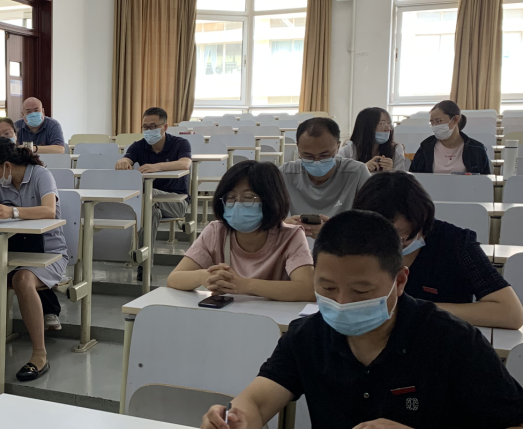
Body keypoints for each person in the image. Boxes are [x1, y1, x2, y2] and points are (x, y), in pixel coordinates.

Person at [198, 211, 523, 429]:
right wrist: (235, 421)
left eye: (361, 291)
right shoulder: (308, 335)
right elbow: (259, 401)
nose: (341, 302)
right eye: (327, 288)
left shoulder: (452, 341)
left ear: (400, 281)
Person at [353, 172, 523, 330]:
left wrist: (418, 310)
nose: (398, 243)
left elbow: (511, 313)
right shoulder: (355, 246)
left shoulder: (455, 243)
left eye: (406, 236)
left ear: (423, 220)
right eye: (388, 237)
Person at [0, 138, 68, 381]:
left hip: (48, 252)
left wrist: (12, 212)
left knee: (23, 279)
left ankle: (39, 354)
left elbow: (49, 210)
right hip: (13, 251)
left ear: (7, 165)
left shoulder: (41, 175)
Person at [167, 161, 314, 302]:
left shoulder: (291, 236)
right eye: (230, 197)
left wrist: (245, 285)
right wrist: (204, 276)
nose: (238, 204)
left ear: (271, 200)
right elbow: (174, 279)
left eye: (248, 197)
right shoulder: (216, 231)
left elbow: (308, 289)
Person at [116, 107, 192, 279]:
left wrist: (157, 166)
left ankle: (135, 253)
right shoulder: (139, 145)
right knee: (151, 212)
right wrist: (123, 162)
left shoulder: (180, 143)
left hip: (176, 202)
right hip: (150, 202)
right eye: (145, 127)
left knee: (147, 198)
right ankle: (145, 267)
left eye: (153, 126)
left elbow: (185, 164)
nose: (149, 130)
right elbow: (127, 158)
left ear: (164, 127)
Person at [282, 117, 371, 239]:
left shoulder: (357, 173)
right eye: (308, 156)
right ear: (298, 148)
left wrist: (333, 230)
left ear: (338, 147)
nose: (316, 161)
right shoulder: (284, 174)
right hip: (297, 244)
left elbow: (373, 222)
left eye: (325, 155)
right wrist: (282, 225)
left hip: (343, 244)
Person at [409, 100, 491, 175]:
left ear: (455, 119)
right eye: (432, 122)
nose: (435, 126)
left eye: (439, 121)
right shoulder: (425, 147)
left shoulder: (476, 149)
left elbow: (485, 181)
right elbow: (413, 179)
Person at [340, 107, 406, 173]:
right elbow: (337, 173)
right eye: (382, 124)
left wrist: (389, 172)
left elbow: (401, 177)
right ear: (367, 127)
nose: (388, 128)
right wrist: (362, 169)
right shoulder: (349, 150)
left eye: (389, 123)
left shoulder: (396, 150)